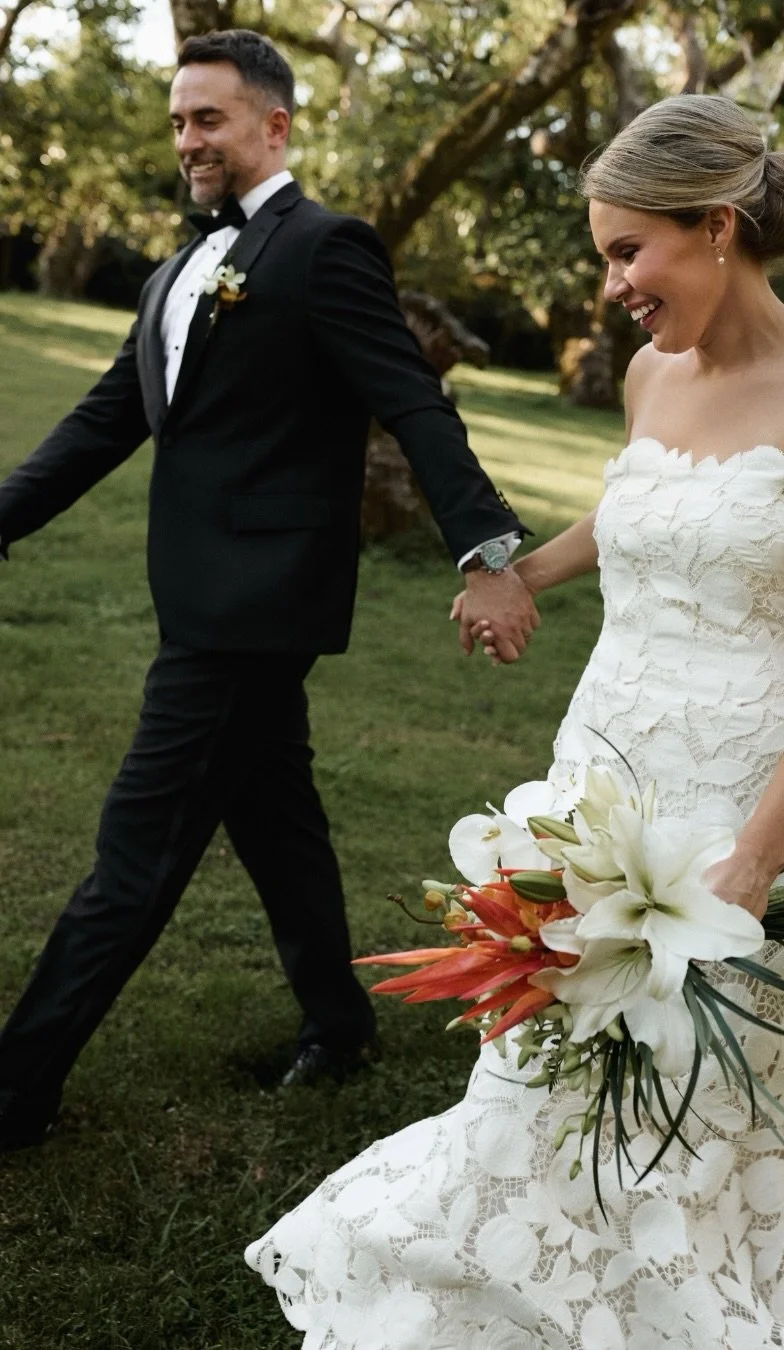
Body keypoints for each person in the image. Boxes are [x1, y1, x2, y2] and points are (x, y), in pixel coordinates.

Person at [245, 94, 784, 1349]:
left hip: (758, 798)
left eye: (627, 251)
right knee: (546, 1073)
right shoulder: (654, 376)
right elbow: (643, 516)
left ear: (716, 226)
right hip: (607, 763)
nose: (612, 286)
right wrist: (523, 572)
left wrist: (758, 859)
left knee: (711, 1098)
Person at [0, 29, 539, 1154]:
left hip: (253, 609)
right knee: (275, 817)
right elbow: (108, 420)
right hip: (198, 595)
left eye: (210, 119)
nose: (188, 139)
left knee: (134, 851)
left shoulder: (325, 247)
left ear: (273, 126)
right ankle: (339, 1028)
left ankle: (18, 1087)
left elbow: (413, 399)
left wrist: (487, 550)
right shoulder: (172, 272)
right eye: (178, 121)